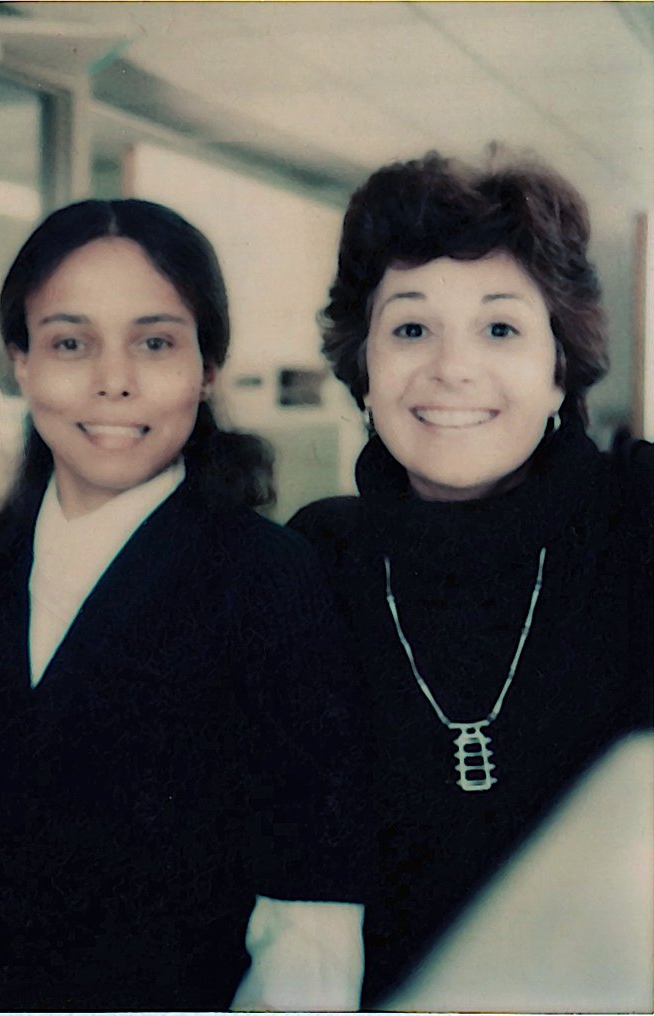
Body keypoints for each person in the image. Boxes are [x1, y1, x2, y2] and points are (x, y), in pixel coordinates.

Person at [0, 198, 369, 1011]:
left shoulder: (266, 578)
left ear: (207, 368)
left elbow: (309, 910)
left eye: (155, 342)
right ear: (19, 362)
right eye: (69, 342)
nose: (114, 379)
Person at [289, 153, 654, 1007]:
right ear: (364, 366)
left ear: (560, 365)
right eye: (412, 329)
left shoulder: (641, 517)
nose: (452, 369)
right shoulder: (316, 561)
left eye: (500, 329)